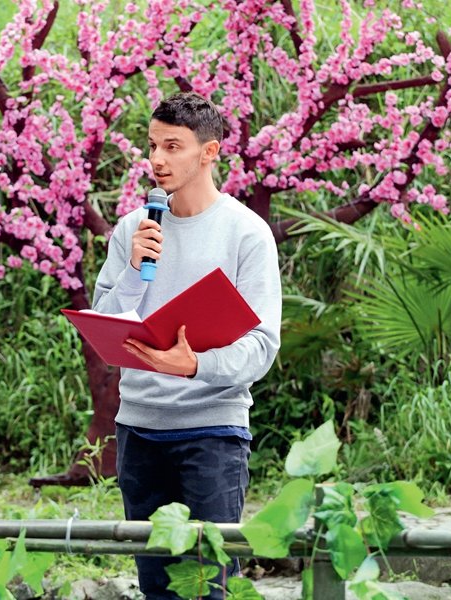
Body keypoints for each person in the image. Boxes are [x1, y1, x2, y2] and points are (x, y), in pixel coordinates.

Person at [92, 92, 282, 599]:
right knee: (156, 585)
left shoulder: (247, 234)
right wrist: (134, 271)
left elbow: (262, 346)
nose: (156, 159)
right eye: (152, 145)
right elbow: (104, 325)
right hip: (140, 430)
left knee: (210, 585)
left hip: (213, 434)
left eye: (172, 146)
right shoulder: (134, 228)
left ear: (209, 152)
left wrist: (195, 364)